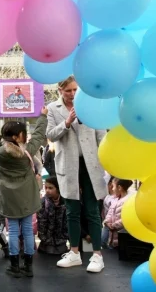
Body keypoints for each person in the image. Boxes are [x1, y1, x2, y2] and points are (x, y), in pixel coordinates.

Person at [46, 76, 107, 273]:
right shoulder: (53, 108)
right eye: (68, 91)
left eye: (75, 90)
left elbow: (101, 135)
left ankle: (97, 255)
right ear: (60, 91)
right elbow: (51, 135)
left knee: (92, 210)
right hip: (68, 164)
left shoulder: (90, 105)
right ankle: (74, 253)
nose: (72, 94)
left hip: (91, 163)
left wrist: (104, 161)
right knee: (71, 209)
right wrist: (67, 121)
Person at [0, 107, 48, 278]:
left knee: (12, 230)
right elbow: (40, 135)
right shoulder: (27, 151)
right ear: (16, 136)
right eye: (23, 133)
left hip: (7, 195)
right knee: (27, 230)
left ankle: (14, 266)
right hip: (27, 194)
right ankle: (28, 266)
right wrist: (43, 116)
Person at [37, 177, 69, 255]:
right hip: (46, 243)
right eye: (46, 188)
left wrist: (64, 237)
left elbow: (67, 223)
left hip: (61, 242)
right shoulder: (43, 203)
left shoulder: (66, 203)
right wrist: (45, 239)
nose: (47, 190)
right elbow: (41, 224)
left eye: (51, 188)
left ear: (58, 189)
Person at [104, 179, 133, 248]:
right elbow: (110, 213)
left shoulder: (128, 201)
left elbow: (126, 218)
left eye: (113, 186)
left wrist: (114, 225)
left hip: (121, 236)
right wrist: (106, 221)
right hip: (112, 235)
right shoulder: (115, 199)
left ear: (119, 188)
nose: (112, 189)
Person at [101, 177, 117, 249]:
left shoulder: (115, 198)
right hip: (106, 223)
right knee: (103, 242)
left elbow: (113, 212)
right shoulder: (107, 196)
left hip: (111, 224)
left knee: (105, 241)